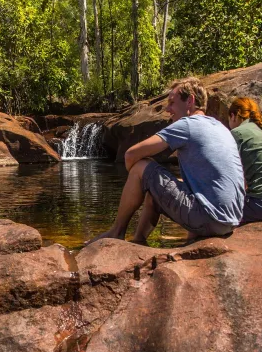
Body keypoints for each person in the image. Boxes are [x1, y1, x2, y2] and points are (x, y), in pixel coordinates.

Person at [87, 77, 245, 245]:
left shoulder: (188, 124)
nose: (168, 110)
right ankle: (138, 241)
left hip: (208, 218)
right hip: (230, 221)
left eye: (172, 102)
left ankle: (116, 232)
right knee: (156, 188)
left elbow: (130, 155)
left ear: (190, 101)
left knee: (142, 166)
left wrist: (137, 181)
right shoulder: (220, 127)